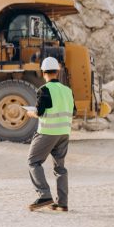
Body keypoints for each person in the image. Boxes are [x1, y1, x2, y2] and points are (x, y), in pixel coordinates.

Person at [26, 56, 76, 212]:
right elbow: (73, 111)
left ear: (43, 72)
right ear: (57, 72)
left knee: (33, 161)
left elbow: (40, 112)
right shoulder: (68, 90)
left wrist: (30, 113)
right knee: (60, 168)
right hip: (64, 133)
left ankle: (44, 195)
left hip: (47, 132)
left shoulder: (44, 90)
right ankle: (62, 202)